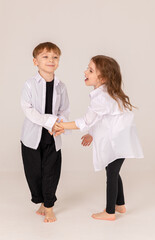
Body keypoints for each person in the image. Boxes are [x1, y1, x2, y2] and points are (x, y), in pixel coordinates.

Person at [52, 55, 144, 221]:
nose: (85, 71)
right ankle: (120, 205)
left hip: (118, 143)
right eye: (87, 68)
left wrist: (61, 125)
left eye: (91, 70)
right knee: (113, 171)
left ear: (103, 78)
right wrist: (92, 134)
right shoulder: (107, 93)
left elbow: (86, 121)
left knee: (112, 173)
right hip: (120, 141)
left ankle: (110, 212)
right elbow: (103, 119)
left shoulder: (101, 97)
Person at [20, 42, 70, 223]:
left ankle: (49, 206)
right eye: (45, 57)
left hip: (52, 137)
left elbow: (64, 110)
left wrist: (60, 125)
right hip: (31, 137)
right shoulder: (29, 85)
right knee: (34, 174)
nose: (51, 60)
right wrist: (50, 122)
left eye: (55, 57)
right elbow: (28, 110)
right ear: (35, 62)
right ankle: (41, 201)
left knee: (51, 172)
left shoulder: (61, 86)